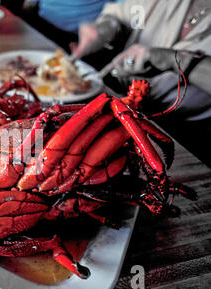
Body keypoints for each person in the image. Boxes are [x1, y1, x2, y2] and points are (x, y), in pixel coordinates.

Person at [71, 0, 211, 166]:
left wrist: (173, 59)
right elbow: (119, 15)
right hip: (122, 103)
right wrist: (104, 29)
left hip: (184, 133)